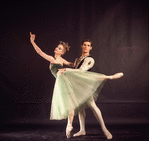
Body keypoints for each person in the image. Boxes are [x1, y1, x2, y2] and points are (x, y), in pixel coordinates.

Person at [30, 32, 123, 139]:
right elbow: (73, 65)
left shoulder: (89, 59)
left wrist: (65, 69)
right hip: (71, 83)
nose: (86, 47)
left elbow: (80, 70)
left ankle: (104, 129)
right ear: (81, 46)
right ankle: (82, 130)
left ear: (91, 48)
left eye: (88, 45)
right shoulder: (71, 59)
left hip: (80, 84)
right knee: (78, 107)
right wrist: (33, 42)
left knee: (92, 106)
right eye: (84, 45)